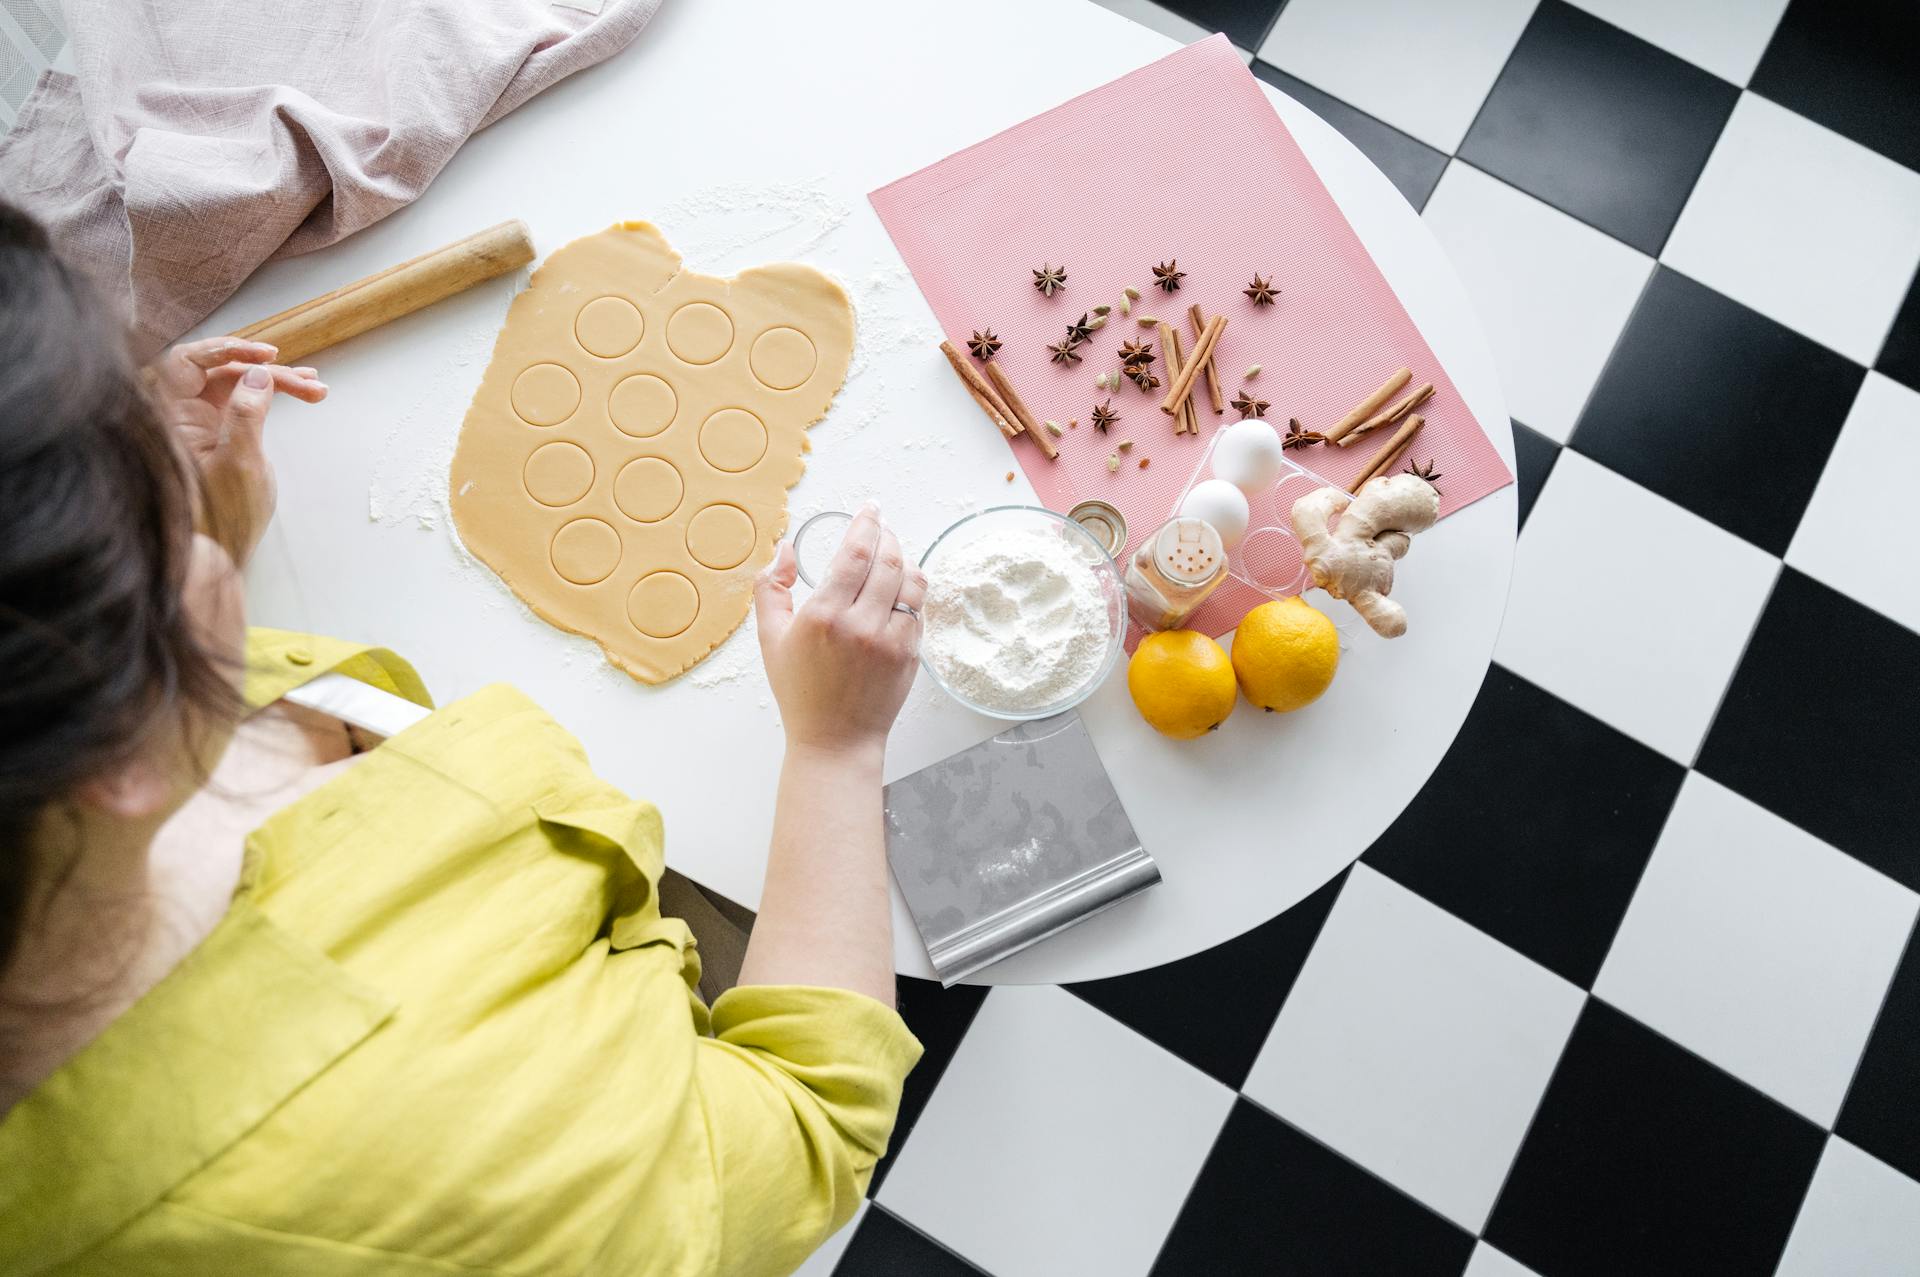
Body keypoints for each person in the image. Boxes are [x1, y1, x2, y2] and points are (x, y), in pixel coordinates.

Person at [0, 202, 925, 1276]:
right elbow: (809, 1123)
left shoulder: (44, 793)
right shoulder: (454, 1179)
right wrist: (835, 748)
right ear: (115, 746)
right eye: (159, 571)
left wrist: (154, 539)